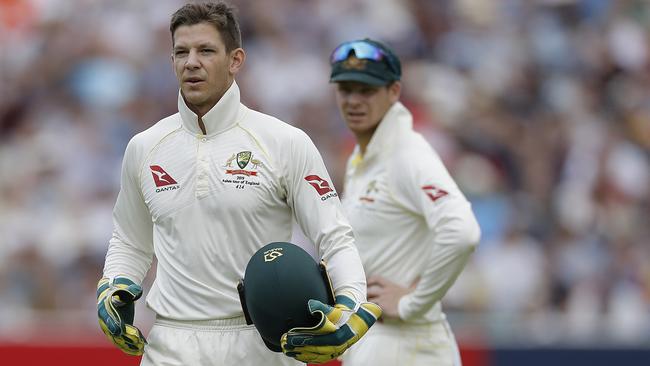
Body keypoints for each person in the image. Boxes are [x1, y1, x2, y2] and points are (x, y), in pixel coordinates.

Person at [96, 3, 380, 366]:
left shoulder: (284, 142)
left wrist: (350, 304)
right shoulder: (144, 147)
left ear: (236, 60)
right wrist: (113, 285)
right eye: (181, 52)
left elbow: (335, 235)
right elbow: (130, 241)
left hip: (261, 345)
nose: (191, 62)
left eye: (206, 51)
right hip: (170, 344)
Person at [328, 38, 482, 366]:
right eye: (345, 89)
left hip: (405, 343)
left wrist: (412, 301)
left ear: (394, 92)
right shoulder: (364, 157)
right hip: (379, 341)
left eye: (366, 90)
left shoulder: (406, 155)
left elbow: (463, 231)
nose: (353, 101)